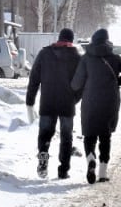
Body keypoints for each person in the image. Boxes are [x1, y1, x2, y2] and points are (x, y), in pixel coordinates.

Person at [70, 27, 121, 184]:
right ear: (107, 41)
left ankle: (90, 158)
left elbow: (75, 84)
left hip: (90, 101)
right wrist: (116, 83)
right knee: (105, 136)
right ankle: (102, 172)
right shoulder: (114, 58)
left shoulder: (86, 58)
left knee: (89, 135)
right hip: (109, 102)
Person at [25, 27, 82, 179]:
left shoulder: (44, 53)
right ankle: (63, 171)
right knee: (66, 137)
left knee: (44, 134)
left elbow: (34, 79)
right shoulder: (77, 57)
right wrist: (74, 100)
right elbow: (82, 83)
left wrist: (30, 101)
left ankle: (43, 158)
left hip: (47, 102)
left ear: (59, 38)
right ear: (71, 40)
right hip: (67, 104)